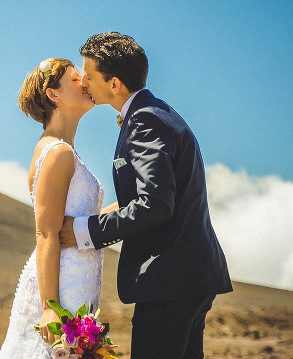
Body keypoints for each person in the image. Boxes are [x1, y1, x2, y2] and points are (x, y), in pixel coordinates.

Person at [59, 32, 233, 358]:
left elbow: (154, 204)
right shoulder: (152, 112)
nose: (83, 81)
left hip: (171, 280)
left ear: (114, 84)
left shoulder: (145, 120)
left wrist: (82, 233)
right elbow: (145, 200)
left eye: (90, 75)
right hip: (188, 279)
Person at [0, 58, 107, 358]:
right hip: (61, 287)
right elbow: (45, 233)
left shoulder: (63, 150)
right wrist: (49, 308)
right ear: (53, 94)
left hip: (77, 283)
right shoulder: (57, 152)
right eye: (74, 79)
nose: (84, 82)